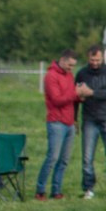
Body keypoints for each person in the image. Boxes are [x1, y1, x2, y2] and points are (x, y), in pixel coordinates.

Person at [75, 43, 106, 199]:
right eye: (92, 60)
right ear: (88, 58)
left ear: (102, 58)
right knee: (87, 157)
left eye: (97, 60)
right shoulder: (82, 73)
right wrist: (74, 118)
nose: (95, 63)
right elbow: (76, 95)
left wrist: (90, 92)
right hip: (89, 119)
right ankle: (88, 188)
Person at [36, 48, 78, 199]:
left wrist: (80, 96)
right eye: (70, 65)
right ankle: (40, 190)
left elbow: (71, 98)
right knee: (52, 157)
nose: (71, 68)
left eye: (73, 66)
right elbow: (57, 99)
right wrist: (76, 94)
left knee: (64, 160)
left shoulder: (69, 76)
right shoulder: (51, 76)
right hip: (56, 122)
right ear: (63, 60)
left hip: (69, 123)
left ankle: (56, 190)